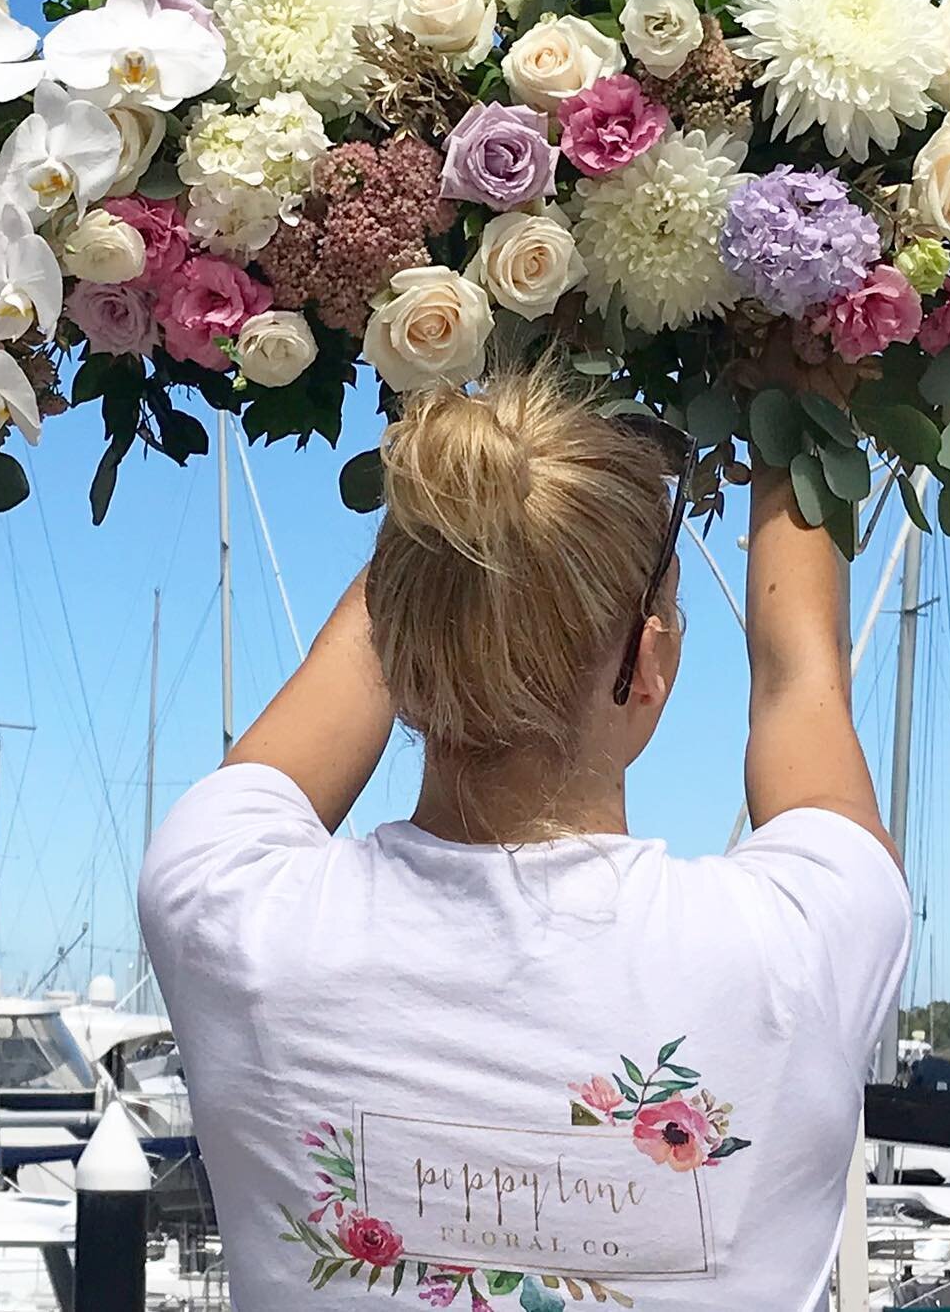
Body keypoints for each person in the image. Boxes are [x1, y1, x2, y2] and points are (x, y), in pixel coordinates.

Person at [139, 358, 910, 1311]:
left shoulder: (230, 908)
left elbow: (375, 638)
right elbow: (803, 679)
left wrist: (483, 485)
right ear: (649, 661)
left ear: (401, 638)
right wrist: (804, 366)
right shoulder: (795, 942)